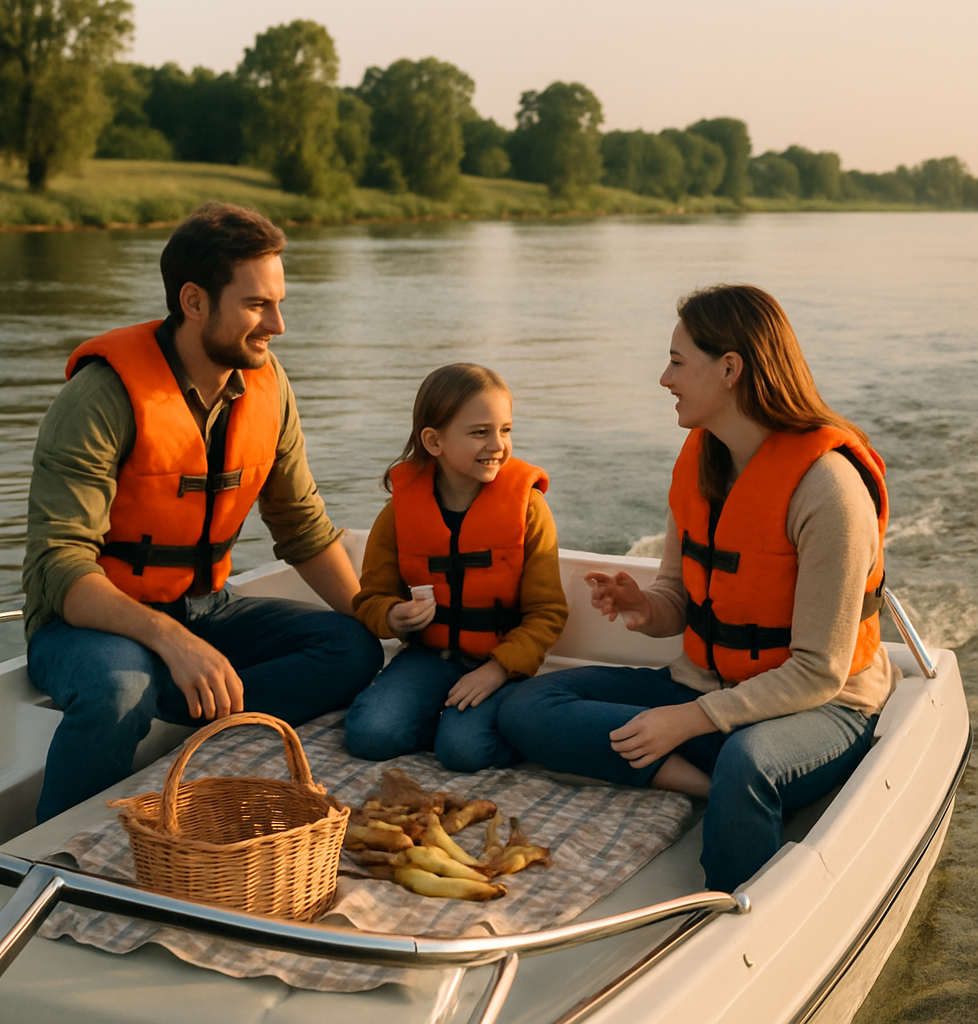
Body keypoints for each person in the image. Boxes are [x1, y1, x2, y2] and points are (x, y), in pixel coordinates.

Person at [497, 284, 896, 893]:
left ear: (730, 369)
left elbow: (820, 670)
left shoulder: (829, 492)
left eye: (678, 362)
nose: (664, 378)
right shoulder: (703, 461)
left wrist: (689, 719)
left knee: (748, 759)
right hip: (705, 689)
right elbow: (676, 604)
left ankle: (735, 915)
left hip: (821, 709)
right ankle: (713, 791)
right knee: (528, 706)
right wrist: (644, 606)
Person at [23, 202, 383, 822]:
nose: (278, 324)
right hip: (86, 624)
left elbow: (302, 528)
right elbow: (62, 567)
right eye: (256, 305)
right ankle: (55, 857)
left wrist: (378, 616)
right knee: (120, 688)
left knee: (351, 648)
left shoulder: (269, 387)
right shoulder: (100, 397)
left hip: (207, 609)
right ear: (194, 302)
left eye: (278, 302)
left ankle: (195, 749)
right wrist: (175, 643)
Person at [345, 363, 569, 772]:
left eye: (505, 429)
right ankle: (437, 716)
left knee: (464, 751)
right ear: (434, 441)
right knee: (370, 734)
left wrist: (498, 670)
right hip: (427, 658)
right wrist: (394, 616)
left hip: (500, 665)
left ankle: (479, 724)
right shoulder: (398, 513)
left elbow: (547, 613)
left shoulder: (528, 510)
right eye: (480, 432)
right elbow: (371, 599)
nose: (498, 444)